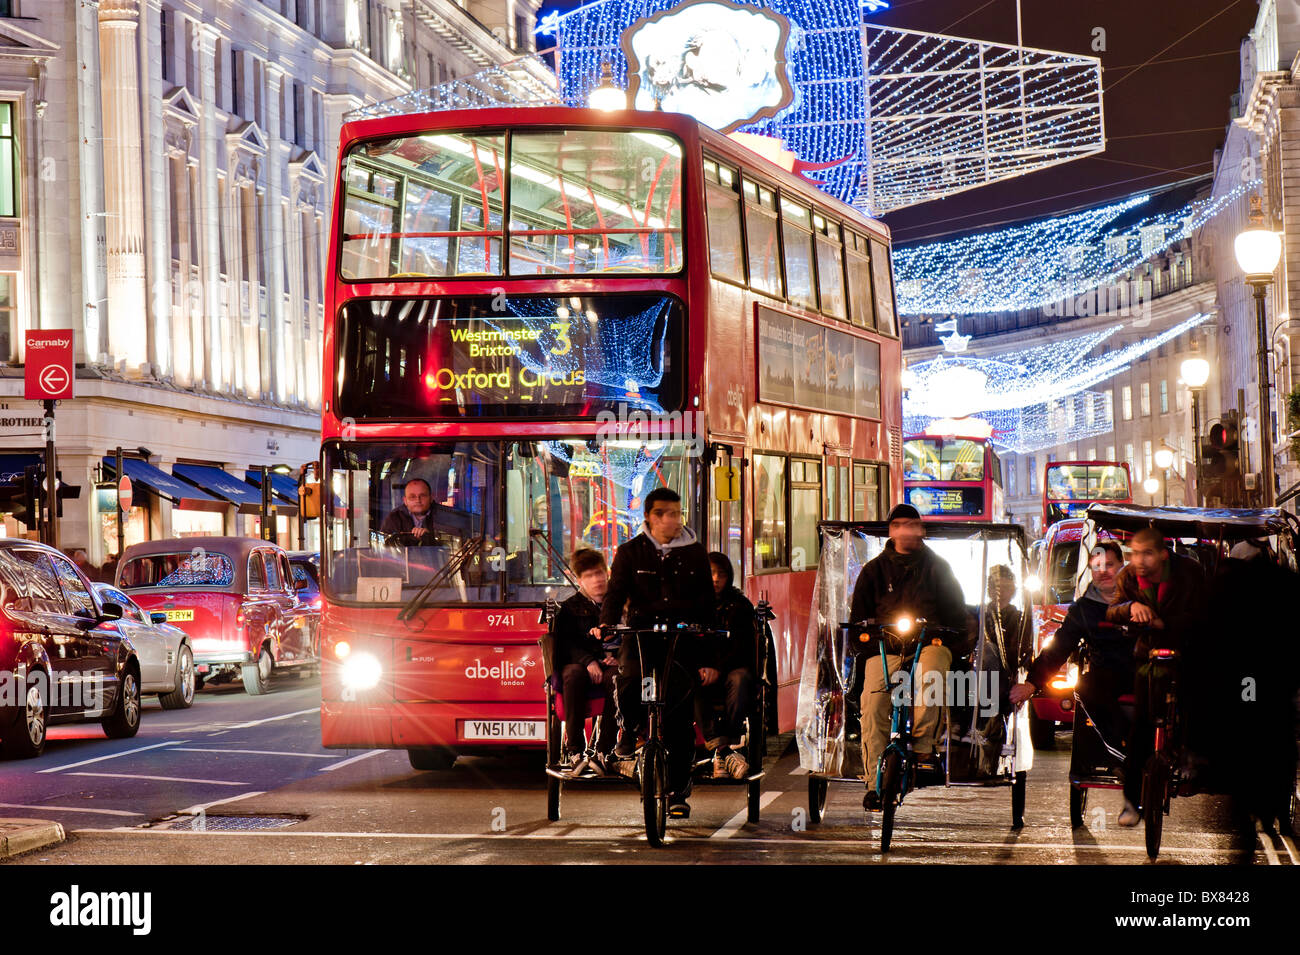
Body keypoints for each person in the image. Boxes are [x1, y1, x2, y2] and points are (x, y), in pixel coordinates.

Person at [599, 487, 716, 818]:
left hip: (681, 642)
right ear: (649, 516)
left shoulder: (694, 554)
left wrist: (707, 652)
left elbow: (707, 604)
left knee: (679, 719)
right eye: (664, 513)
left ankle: (678, 791)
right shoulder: (630, 552)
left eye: (677, 513)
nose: (672, 520)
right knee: (629, 681)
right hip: (642, 639)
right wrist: (606, 623)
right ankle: (629, 731)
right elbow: (615, 594)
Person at [849, 503, 970, 811]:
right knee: (873, 701)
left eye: (911, 524)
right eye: (899, 524)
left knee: (932, 674)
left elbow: (957, 614)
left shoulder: (939, 568)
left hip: (929, 644)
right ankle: (873, 778)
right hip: (885, 647)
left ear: (921, 529)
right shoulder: (873, 571)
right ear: (891, 531)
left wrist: (947, 638)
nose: (906, 530)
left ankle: (923, 747)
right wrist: (867, 641)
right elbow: (857, 621)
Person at [1010, 542, 1133, 817]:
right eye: (1097, 567)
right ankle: (1123, 748)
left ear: (1121, 566)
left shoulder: (1142, 597)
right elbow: (1059, 647)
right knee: (1085, 687)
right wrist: (1032, 683)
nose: (1103, 572)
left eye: (1109, 565)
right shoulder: (1083, 608)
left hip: (1143, 669)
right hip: (1107, 675)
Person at [1104, 526, 1207, 826]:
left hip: (1187, 651)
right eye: (1135, 553)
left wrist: (1165, 623)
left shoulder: (1189, 572)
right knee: (1141, 727)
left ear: (1163, 554)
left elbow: (1202, 614)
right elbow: (1113, 610)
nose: (1139, 560)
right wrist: (1131, 607)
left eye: (1146, 553)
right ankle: (1131, 803)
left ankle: (1190, 756)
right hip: (1147, 656)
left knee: (1194, 703)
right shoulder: (1127, 578)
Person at [553, 548, 618, 777]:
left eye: (599, 573)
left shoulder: (620, 603)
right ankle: (575, 750)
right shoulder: (570, 608)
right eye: (589, 576)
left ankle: (605, 749)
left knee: (618, 677)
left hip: (614, 663)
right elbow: (564, 645)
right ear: (580, 580)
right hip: (580, 663)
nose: (597, 580)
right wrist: (589, 660)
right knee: (572, 674)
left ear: (607, 572)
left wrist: (618, 655)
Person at [697, 552, 757, 780]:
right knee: (690, 681)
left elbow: (743, 648)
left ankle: (730, 739)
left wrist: (718, 669)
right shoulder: (694, 604)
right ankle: (722, 750)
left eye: (721, 574)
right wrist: (702, 668)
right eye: (711, 573)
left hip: (730, 669)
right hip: (701, 669)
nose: (715, 578)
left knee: (740, 679)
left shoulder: (740, 606)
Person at [380, 478, 440, 546]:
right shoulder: (394, 518)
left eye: (422, 495)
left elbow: (450, 546)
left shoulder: (444, 516)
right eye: (412, 497)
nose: (418, 500)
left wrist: (430, 538)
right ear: (405, 500)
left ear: (431, 498)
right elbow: (384, 545)